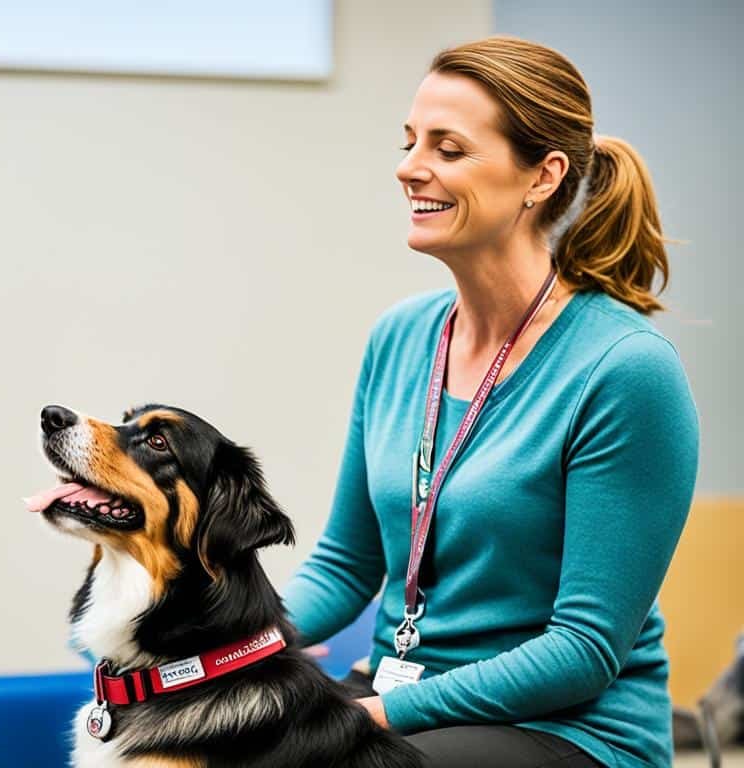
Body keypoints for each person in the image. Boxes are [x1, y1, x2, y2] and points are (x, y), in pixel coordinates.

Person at [283, 36, 698, 768]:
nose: (410, 167)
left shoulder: (626, 370)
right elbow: (346, 563)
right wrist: (221, 649)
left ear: (542, 176)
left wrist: (373, 714)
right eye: (411, 142)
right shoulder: (400, 338)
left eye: (448, 149)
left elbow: (582, 651)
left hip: (570, 730)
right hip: (399, 699)